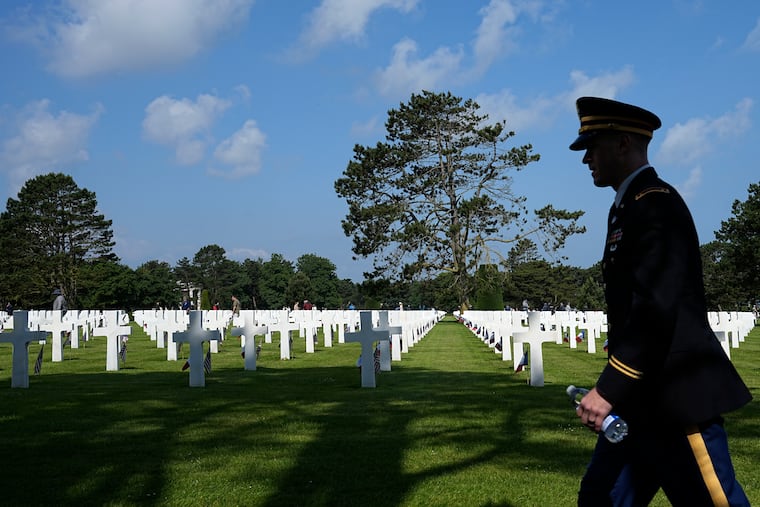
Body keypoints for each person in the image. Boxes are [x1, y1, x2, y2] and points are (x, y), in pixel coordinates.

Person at [569, 96, 751, 506]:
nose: (586, 159)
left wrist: (608, 388)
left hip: (676, 400)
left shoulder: (655, 206)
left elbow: (655, 309)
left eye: (593, 146)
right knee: (599, 499)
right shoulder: (626, 209)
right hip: (639, 404)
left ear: (623, 145)